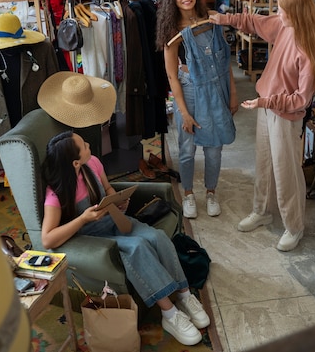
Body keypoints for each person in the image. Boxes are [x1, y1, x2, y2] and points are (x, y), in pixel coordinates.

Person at [41, 130, 210, 346]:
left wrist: (118, 201)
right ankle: (169, 314)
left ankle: (185, 295)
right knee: (137, 247)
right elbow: (47, 239)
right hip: (93, 236)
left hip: (114, 221)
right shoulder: (55, 193)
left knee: (156, 237)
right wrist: (83, 219)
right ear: (75, 163)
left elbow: (108, 188)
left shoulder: (92, 163)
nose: (88, 145)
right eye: (83, 145)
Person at [209, 0, 315, 251]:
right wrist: (225, 18)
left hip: (285, 116)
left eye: (281, 9)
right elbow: (255, 21)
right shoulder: (284, 26)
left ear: (295, 14)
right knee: (264, 163)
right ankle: (261, 211)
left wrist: (267, 102)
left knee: (286, 172)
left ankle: (294, 226)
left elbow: (301, 100)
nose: (277, 13)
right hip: (266, 107)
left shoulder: (307, 50)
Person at [155, 0, 238, 219]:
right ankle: (189, 193)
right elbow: (172, 76)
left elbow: (225, 61)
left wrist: (232, 93)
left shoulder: (211, 19)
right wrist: (184, 113)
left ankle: (211, 192)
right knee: (187, 148)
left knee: (215, 147)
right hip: (189, 90)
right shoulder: (172, 31)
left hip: (216, 87)